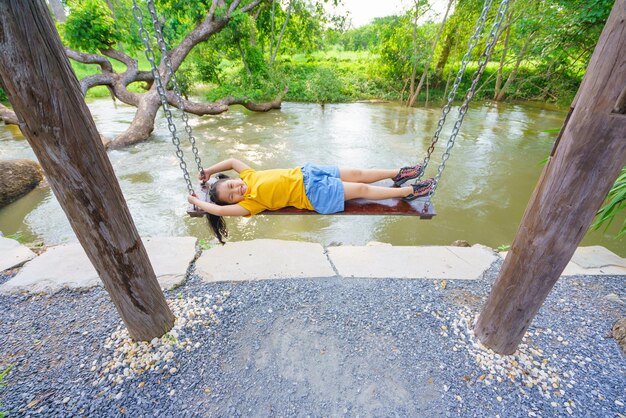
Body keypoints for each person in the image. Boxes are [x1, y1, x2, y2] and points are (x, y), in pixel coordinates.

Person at [187, 158, 435, 244]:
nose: (236, 190)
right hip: (315, 195)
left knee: (359, 174)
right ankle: (409, 192)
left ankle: (397, 174)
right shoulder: (250, 205)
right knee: (361, 188)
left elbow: (231, 161)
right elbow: (221, 212)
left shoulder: (248, 175)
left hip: (311, 173)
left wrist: (208, 171)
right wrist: (201, 204)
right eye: (232, 196)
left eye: (231, 185)